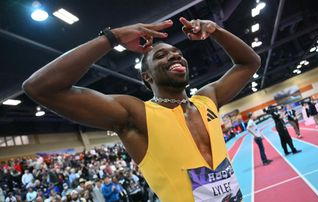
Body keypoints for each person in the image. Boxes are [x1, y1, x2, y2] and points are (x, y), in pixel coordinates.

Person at [23, 17, 261, 201]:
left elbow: (249, 62)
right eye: (161, 56)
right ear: (147, 77)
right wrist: (112, 37)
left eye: (178, 54)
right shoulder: (136, 115)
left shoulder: (207, 99)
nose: (174, 57)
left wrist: (216, 31)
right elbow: (41, 89)